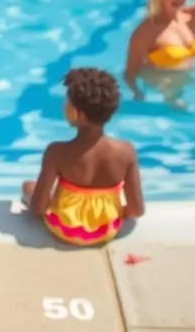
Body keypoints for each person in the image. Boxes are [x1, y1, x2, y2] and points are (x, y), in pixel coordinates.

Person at [22, 68, 144, 246]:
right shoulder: (126, 151)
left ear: (76, 113)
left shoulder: (57, 152)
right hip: (107, 230)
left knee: (28, 186)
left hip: (64, 229)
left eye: (68, 103)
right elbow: (136, 210)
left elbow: (37, 209)